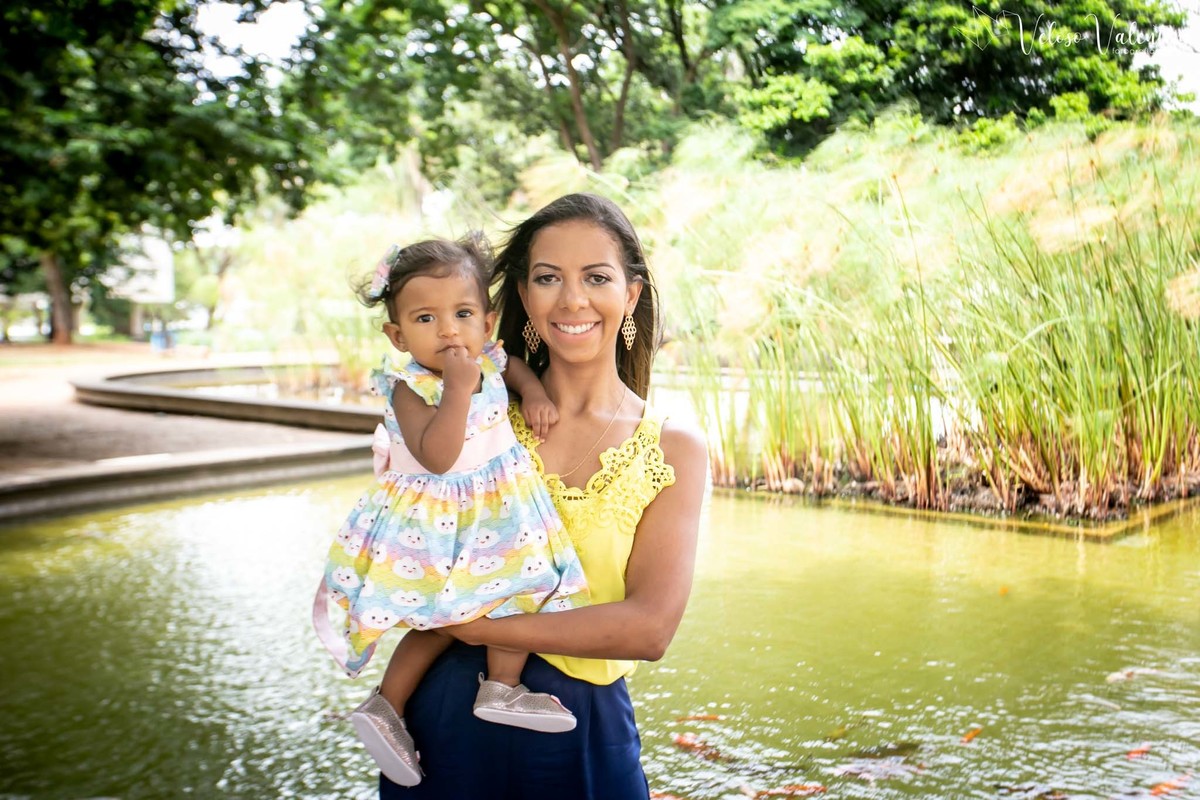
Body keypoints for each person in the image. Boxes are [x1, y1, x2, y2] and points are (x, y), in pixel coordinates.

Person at [379, 193, 708, 799]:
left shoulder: (672, 446)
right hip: (444, 724)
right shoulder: (471, 419)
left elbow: (649, 629)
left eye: (597, 278)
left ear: (630, 296)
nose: (573, 299)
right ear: (525, 299)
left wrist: (481, 626)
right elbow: (407, 542)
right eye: (548, 278)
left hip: (579, 731)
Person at [312, 234, 591, 788]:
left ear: (487, 323)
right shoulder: (407, 387)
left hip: (495, 511)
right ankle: (387, 705)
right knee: (444, 617)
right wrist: (459, 390)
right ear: (396, 334)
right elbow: (437, 457)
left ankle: (499, 689)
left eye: (462, 313)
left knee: (515, 590)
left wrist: (533, 393)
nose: (447, 330)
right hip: (438, 520)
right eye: (424, 318)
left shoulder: (489, 358)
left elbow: (512, 372)